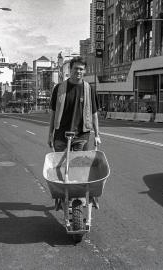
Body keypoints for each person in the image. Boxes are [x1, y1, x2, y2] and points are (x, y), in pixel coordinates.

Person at [47, 56, 101, 209]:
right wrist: (50, 134)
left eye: (81, 69)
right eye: (76, 68)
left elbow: (94, 114)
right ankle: (63, 196)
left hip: (81, 135)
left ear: (84, 71)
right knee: (62, 167)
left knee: (78, 168)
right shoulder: (59, 88)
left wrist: (97, 134)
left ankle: (76, 197)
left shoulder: (88, 88)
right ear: (70, 70)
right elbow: (53, 113)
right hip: (60, 135)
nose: (78, 71)